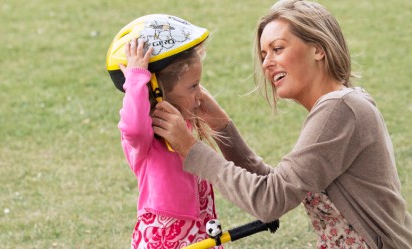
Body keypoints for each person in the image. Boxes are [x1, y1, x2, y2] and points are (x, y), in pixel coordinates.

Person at [151, 1, 412, 248]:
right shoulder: (339, 106)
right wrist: (221, 127)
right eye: (264, 55)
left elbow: (269, 200)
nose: (266, 63)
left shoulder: (339, 110)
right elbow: (280, 185)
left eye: (278, 49)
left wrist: (189, 147)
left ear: (318, 49)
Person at [105, 14, 223, 249]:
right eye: (193, 86)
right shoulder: (145, 137)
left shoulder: (182, 124)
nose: (200, 93)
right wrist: (137, 79)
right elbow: (133, 127)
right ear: (158, 93)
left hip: (199, 228)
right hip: (163, 235)